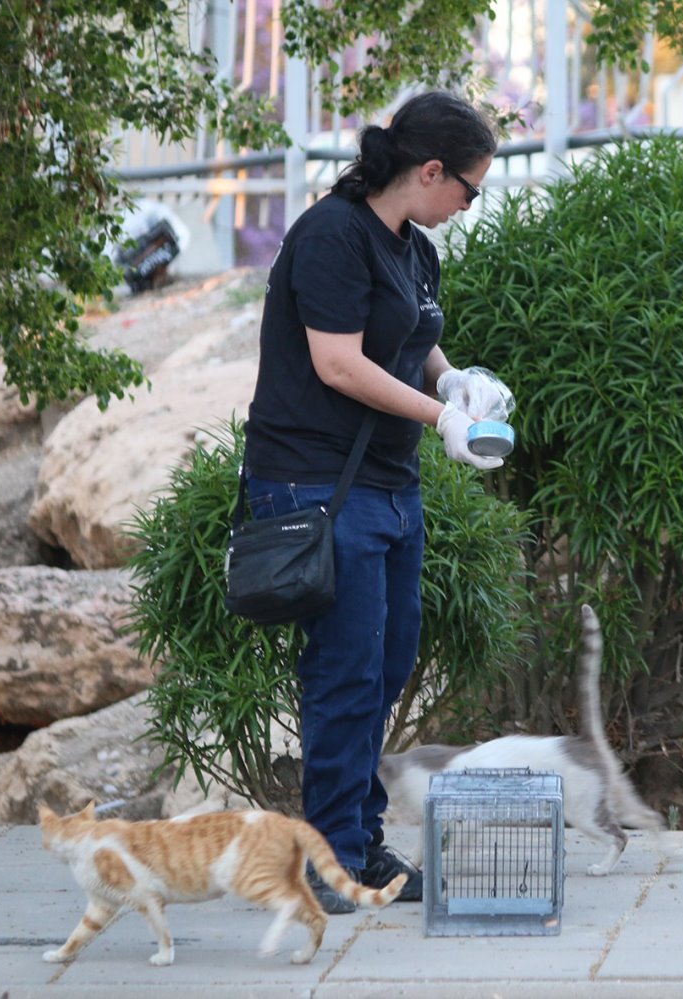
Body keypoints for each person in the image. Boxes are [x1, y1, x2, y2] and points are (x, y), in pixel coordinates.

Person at [240, 91, 506, 913]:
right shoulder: (331, 234)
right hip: (320, 482)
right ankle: (332, 859)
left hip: (389, 485)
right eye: (469, 188)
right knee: (346, 674)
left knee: (387, 665)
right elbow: (338, 364)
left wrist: (455, 378)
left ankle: (356, 836)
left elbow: (415, 340)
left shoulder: (413, 248)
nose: (469, 203)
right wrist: (442, 417)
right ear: (429, 171)